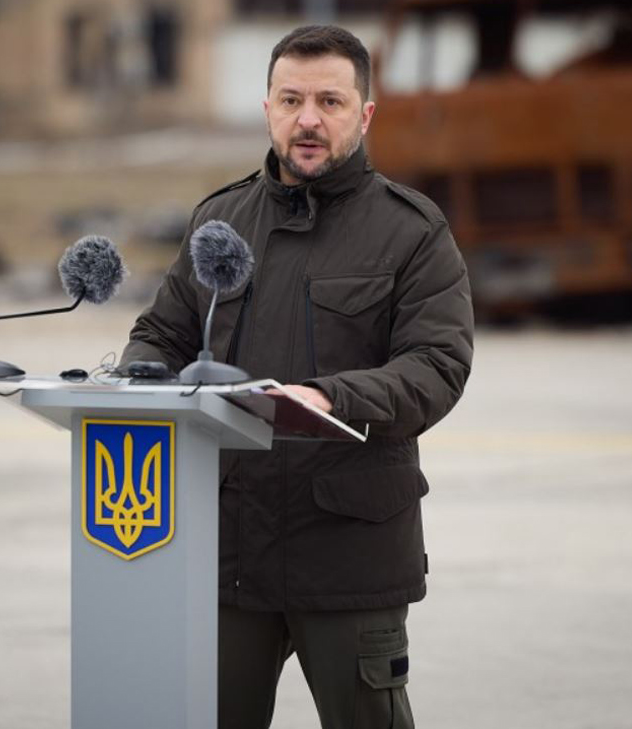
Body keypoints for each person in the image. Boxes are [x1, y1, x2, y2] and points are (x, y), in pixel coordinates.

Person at [121, 24, 474, 729]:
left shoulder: (411, 230)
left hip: (348, 549)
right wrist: (133, 378)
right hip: (228, 550)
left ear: (364, 114)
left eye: (329, 102)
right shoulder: (220, 220)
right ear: (268, 108)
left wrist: (330, 397)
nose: (308, 119)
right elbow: (162, 333)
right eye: (291, 100)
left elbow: (436, 365)